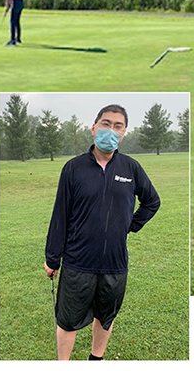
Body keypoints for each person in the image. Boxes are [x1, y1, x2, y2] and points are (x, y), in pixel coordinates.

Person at [44, 104, 161, 360]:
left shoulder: (131, 168)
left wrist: (130, 225)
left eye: (118, 126)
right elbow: (60, 216)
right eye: (106, 123)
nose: (111, 130)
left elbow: (152, 201)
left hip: (114, 264)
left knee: (105, 317)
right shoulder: (73, 168)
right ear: (94, 127)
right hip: (78, 262)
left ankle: (96, 359)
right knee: (67, 320)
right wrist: (52, 258)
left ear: (124, 133)